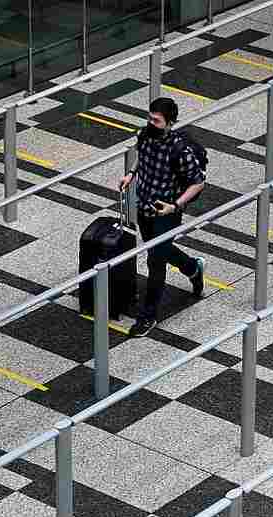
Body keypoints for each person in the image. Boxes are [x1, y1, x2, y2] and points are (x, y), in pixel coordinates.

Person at [120, 97, 206, 338]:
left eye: (156, 120)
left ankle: (148, 316)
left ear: (170, 123)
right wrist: (130, 174)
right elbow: (141, 155)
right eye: (150, 118)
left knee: (155, 261)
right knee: (158, 250)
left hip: (166, 211)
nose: (151, 123)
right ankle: (193, 268)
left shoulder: (179, 150)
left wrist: (175, 206)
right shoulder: (145, 135)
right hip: (143, 207)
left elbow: (198, 183)